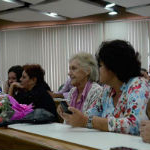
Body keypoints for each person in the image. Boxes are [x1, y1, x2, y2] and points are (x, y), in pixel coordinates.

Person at [58, 40, 150, 135]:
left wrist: (86, 121)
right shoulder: (108, 89)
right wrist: (70, 115)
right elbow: (89, 114)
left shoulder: (138, 85)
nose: (98, 69)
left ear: (113, 66)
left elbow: (134, 125)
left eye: (100, 65)